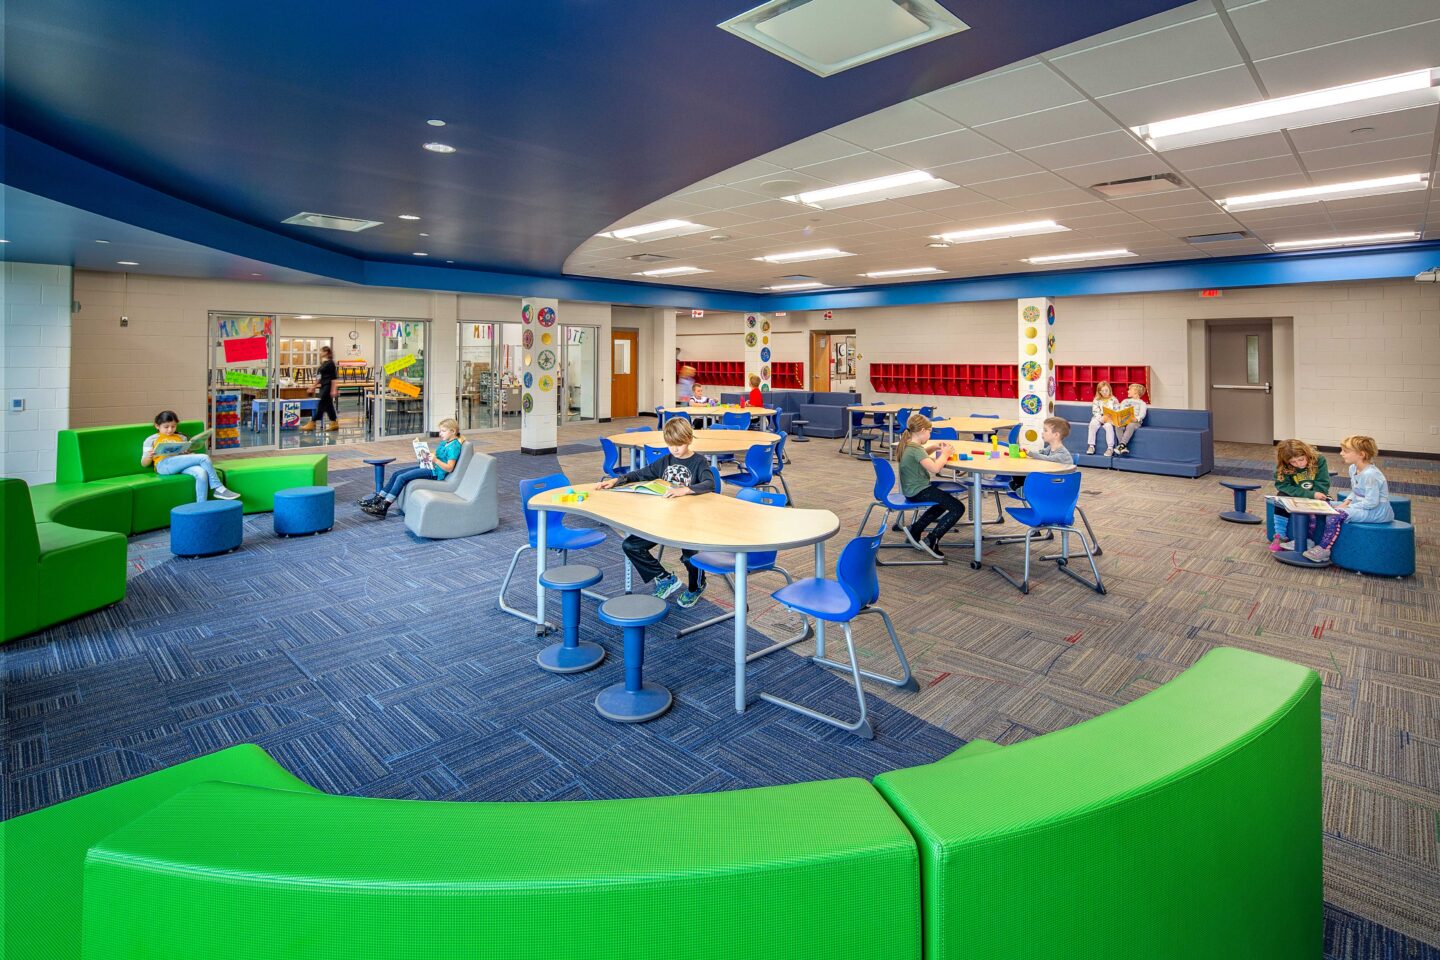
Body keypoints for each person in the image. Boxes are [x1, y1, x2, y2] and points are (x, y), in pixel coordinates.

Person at [597, 417, 715, 607]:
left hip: (689, 522)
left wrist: (684, 490)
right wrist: (617, 481)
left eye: (679, 444)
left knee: (690, 558)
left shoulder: (699, 462)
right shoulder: (666, 461)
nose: (675, 449)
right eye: (671, 445)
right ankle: (664, 578)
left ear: (689, 439)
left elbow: (710, 483)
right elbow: (641, 473)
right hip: (664, 522)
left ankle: (697, 586)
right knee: (630, 546)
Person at [1303, 435, 1392, 563]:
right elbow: (1356, 491)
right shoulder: (1353, 468)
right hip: (1361, 505)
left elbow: (1372, 502)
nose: (1341, 453)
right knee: (1320, 504)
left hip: (1376, 511)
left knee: (1335, 515)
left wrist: (1346, 507)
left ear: (1361, 454)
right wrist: (1346, 502)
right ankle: (1308, 540)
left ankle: (1324, 550)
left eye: (1345, 451)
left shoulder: (1371, 475)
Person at [362, 418, 464, 517]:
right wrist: (420, 447)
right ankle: (378, 499)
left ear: (453, 431)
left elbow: (450, 468)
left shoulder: (454, 447)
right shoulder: (445, 443)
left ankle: (384, 506)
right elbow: (439, 456)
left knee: (401, 478)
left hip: (435, 473)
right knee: (396, 474)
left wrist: (435, 460)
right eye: (440, 431)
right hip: (430, 467)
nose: (440, 433)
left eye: (443, 431)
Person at [896, 413, 964, 560]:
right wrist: (945, 454)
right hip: (919, 490)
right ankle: (933, 539)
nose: (930, 434)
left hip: (912, 490)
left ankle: (915, 529)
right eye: (929, 431)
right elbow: (935, 469)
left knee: (942, 503)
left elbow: (919, 456)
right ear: (921, 431)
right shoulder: (916, 449)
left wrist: (932, 448)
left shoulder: (909, 445)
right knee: (958, 507)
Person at [140, 410, 240, 502]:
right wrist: (149, 456)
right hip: (163, 465)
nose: (170, 430)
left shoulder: (181, 437)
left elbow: (183, 456)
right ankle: (218, 488)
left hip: (180, 465)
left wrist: (186, 452)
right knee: (204, 457)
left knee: (202, 473)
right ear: (157, 426)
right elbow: (144, 464)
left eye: (173, 426)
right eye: (166, 427)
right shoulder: (152, 439)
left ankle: (201, 507)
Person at [1268, 439, 1331, 551]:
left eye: (1301, 459)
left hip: (1316, 493)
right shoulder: (1283, 465)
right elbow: (1283, 486)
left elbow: (1323, 483)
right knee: (1280, 497)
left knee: (1327, 505)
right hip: (1296, 494)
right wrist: (1308, 494)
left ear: (1306, 454)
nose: (1298, 464)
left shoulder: (1319, 459)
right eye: (1293, 462)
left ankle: (1317, 541)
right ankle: (1280, 536)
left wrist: (1313, 495)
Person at [1009, 417, 1074, 494]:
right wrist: (1027, 452)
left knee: (1029, 477)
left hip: (1057, 486)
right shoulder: (1050, 447)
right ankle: (1020, 487)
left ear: (1056, 435)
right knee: (1019, 473)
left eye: (1045, 430)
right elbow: (1041, 453)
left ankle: (1024, 491)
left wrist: (1030, 453)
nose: (1042, 433)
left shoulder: (1062, 454)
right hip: (1050, 480)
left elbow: (1047, 459)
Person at [300, 345, 340, 433]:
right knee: (329, 406)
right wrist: (313, 386)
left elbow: (334, 378)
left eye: (321, 351)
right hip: (323, 386)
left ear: (326, 352)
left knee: (321, 405)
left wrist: (334, 389)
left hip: (328, 386)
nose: (320, 353)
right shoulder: (323, 363)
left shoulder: (331, 363)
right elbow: (319, 377)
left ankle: (312, 422)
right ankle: (334, 423)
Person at [1086, 381, 1120, 456]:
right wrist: (1101, 418)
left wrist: (1109, 417)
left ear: (1109, 390)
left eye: (1106, 390)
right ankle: (1091, 446)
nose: (1104, 392)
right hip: (1099, 418)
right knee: (1093, 424)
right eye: (1102, 391)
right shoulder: (1096, 399)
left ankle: (1110, 448)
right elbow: (1095, 411)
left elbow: (1117, 411)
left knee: (1108, 426)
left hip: (1109, 419)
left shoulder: (1114, 400)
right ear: (1099, 392)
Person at [1113, 383, 1148, 456]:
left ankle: (1122, 445)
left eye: (1130, 390)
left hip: (1135, 422)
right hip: (1125, 419)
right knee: (1118, 425)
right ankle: (1123, 447)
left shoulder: (1142, 403)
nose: (1128, 391)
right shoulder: (1125, 401)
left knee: (1131, 425)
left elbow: (1142, 414)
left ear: (1136, 392)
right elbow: (1120, 410)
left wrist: (1137, 418)